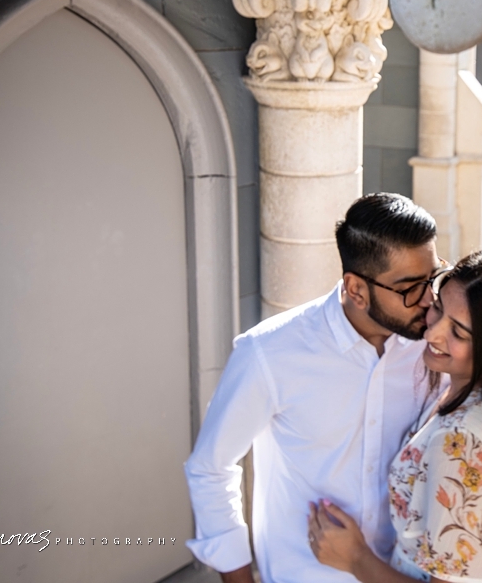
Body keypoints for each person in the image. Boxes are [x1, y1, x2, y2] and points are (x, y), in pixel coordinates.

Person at [184, 193, 444, 583]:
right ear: (356, 289)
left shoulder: (433, 344)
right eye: (410, 287)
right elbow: (210, 468)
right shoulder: (270, 352)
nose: (428, 300)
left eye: (432, 278)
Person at [307, 248, 482, 583]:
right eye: (438, 308)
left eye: (458, 332)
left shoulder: (460, 443)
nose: (432, 333)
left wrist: (355, 558)